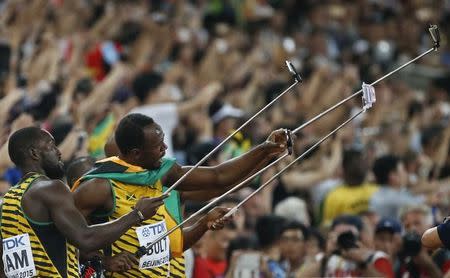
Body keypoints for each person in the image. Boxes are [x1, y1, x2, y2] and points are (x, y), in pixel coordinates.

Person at [72, 113, 288, 277]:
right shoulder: (99, 187)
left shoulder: (163, 174)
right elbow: (66, 238)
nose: (166, 148)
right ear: (135, 154)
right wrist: (105, 261)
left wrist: (265, 150)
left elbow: (220, 178)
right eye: (158, 146)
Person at [0, 127, 168, 278]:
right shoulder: (51, 188)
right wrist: (136, 215)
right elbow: (85, 238)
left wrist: (104, 261)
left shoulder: (7, 201)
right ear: (34, 154)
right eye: (51, 146)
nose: (59, 152)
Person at [370, 154, 424, 219]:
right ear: (393, 176)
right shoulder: (387, 197)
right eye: (403, 170)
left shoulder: (394, 190)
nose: (406, 173)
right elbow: (419, 203)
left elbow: (412, 193)